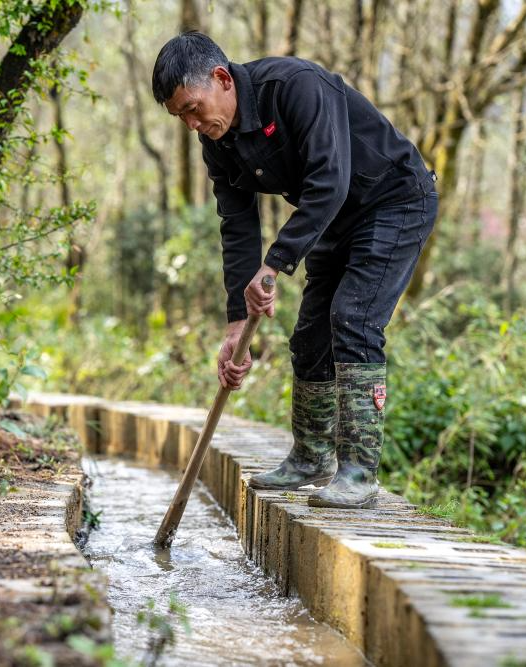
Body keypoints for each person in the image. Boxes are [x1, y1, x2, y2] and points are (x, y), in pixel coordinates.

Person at [151, 32, 438, 509]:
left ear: (222, 78)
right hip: (334, 218)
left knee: (353, 319)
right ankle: (310, 458)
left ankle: (359, 474)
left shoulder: (295, 86)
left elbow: (330, 179)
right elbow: (237, 225)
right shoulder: (216, 143)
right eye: (180, 116)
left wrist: (275, 264)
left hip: (394, 201)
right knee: (309, 337)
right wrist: (236, 323)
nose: (191, 124)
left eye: (193, 108)